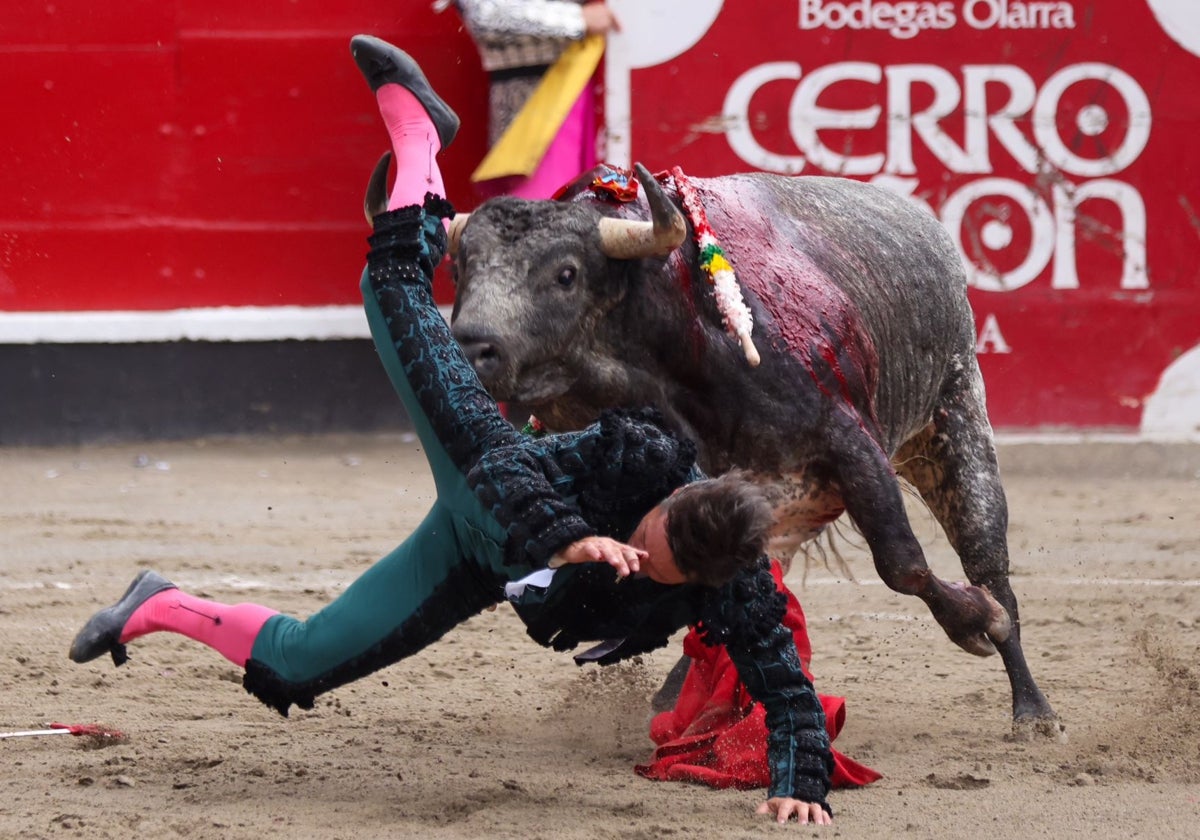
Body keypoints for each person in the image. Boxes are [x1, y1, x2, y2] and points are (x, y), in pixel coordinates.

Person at [68, 35, 835, 825]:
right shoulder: (643, 455)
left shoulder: (731, 575)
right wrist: (570, 537)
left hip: (477, 568)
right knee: (387, 285)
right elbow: (507, 471)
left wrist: (798, 784)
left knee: (299, 666)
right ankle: (417, 136)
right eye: (651, 534)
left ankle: (153, 605)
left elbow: (784, 687)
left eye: (659, 565)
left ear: (702, 577)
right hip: (487, 478)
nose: (641, 555)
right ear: (673, 499)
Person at [437, 0, 619, 199]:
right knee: (541, 215)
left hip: (583, 96)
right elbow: (485, 13)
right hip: (528, 114)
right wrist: (577, 19)